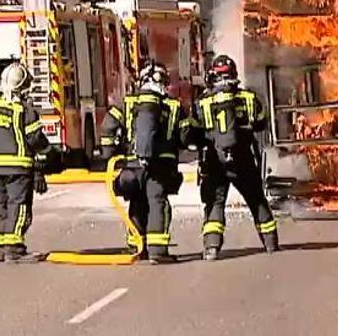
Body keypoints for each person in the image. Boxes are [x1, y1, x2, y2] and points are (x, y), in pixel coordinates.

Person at [183, 54, 279, 261]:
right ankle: (270, 243)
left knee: (215, 203)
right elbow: (262, 123)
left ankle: (211, 248)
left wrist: (200, 141)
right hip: (243, 157)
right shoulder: (249, 98)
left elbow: (192, 133)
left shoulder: (202, 103)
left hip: (213, 160)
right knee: (256, 200)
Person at [100, 61, 186, 264]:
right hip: (160, 168)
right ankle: (157, 251)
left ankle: (136, 246)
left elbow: (108, 126)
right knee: (157, 203)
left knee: (137, 203)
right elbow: (186, 135)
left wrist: (110, 155)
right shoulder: (173, 106)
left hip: (131, 166)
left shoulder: (126, 103)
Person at [0, 63, 50, 263]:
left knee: (3, 205)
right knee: (19, 205)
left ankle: (0, 246)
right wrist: (45, 157)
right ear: (22, 88)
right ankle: (14, 248)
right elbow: (35, 139)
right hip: (19, 166)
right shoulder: (24, 111)